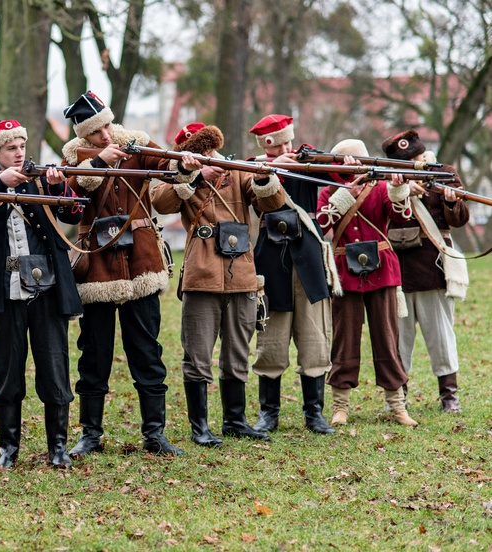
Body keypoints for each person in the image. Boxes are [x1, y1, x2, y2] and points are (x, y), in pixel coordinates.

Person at [60, 91, 200, 456]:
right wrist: (99, 164)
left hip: (141, 263)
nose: (106, 135)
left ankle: (155, 434)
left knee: (147, 353)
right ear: (83, 135)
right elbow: (68, 201)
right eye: (96, 132)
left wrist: (184, 167)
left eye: (107, 126)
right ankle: (90, 434)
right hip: (98, 270)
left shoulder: (135, 142)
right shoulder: (74, 158)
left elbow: (168, 167)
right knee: (93, 355)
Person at [0, 120, 84, 469]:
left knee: (54, 369)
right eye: (10, 147)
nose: (19, 152)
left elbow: (74, 211)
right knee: (7, 372)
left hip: (47, 288)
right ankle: (8, 450)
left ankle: (58, 447)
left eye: (21, 145)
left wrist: (59, 188)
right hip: (4, 290)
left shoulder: (43, 178)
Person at [151, 123, 285, 445]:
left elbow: (271, 203)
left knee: (238, 350)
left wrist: (265, 177)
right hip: (202, 273)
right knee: (197, 354)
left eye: (209, 150)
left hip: (242, 273)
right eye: (198, 152)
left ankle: (235, 420)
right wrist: (192, 175)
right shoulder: (178, 176)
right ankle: (200, 427)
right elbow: (162, 202)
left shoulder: (237, 172)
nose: (206, 156)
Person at [247, 114, 339, 435]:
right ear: (267, 146)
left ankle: (314, 413)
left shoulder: (309, 158)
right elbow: (257, 190)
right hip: (271, 260)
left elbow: (337, 175)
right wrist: (273, 166)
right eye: (280, 144)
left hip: (309, 258)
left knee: (315, 339)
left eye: (289, 141)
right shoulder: (255, 167)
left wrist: (344, 161)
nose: (287, 148)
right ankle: (268, 413)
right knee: (271, 341)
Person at [315, 139, 417, 427]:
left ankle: (397, 405)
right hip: (344, 272)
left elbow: (401, 216)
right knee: (344, 339)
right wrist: (346, 194)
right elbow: (323, 224)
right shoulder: (329, 193)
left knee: (387, 338)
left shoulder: (382, 188)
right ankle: (340, 406)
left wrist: (399, 188)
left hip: (382, 269)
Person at [382, 130, 469, 413]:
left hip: (433, 268)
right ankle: (398, 397)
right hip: (398, 271)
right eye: (408, 161)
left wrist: (452, 200)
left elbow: (460, 219)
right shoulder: (385, 180)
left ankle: (449, 397)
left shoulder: (444, 173)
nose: (416, 163)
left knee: (441, 336)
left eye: (417, 157)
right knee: (398, 340)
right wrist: (401, 189)